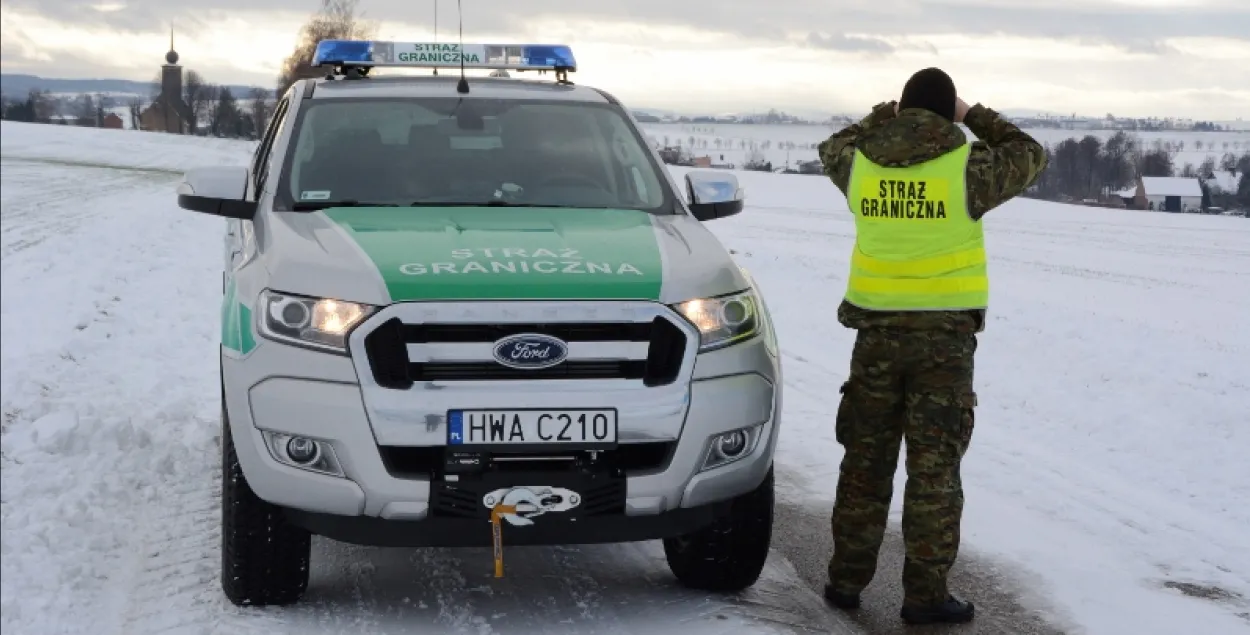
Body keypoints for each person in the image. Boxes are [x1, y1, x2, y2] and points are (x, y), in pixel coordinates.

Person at [816, 67, 1048, 624]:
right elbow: (1029, 151)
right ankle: (924, 596)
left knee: (865, 462)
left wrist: (881, 115)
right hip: (943, 348)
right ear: (948, 114)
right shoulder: (968, 169)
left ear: (903, 108)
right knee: (934, 470)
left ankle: (845, 582)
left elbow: (832, 145)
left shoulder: (860, 165)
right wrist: (973, 116)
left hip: (875, 339)